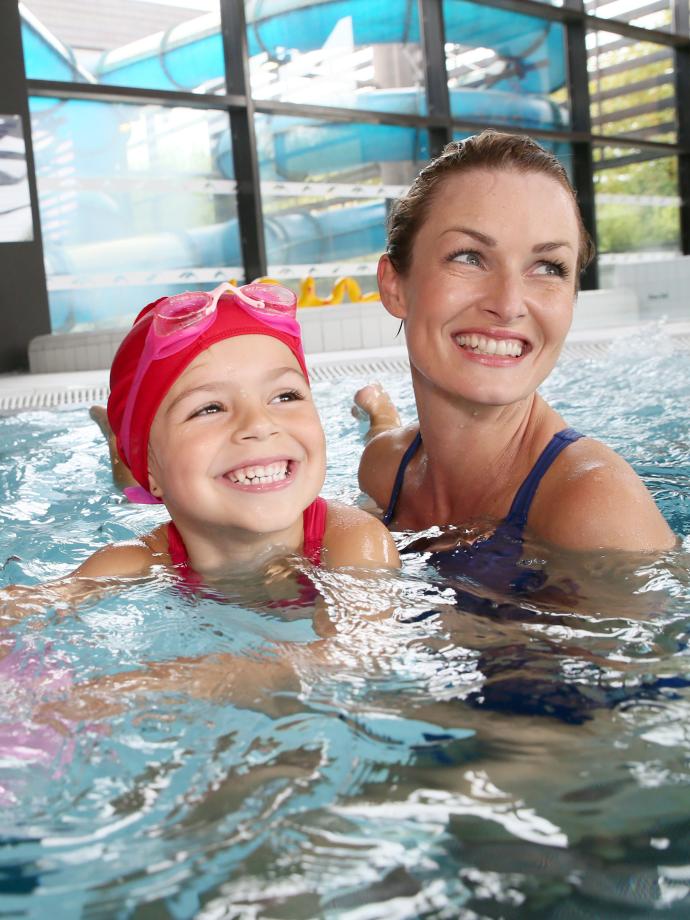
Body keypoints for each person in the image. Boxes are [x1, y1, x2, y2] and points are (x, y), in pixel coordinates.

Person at [354, 130, 675, 587]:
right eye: (469, 257)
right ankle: (378, 407)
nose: (508, 304)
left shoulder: (597, 506)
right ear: (394, 286)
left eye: (548, 268)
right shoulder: (385, 468)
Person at [5, 280, 398, 616]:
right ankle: (118, 440)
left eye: (285, 395)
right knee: (130, 490)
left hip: (339, 498)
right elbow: (30, 606)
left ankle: (379, 413)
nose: (259, 424)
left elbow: (352, 656)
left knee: (380, 465)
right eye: (209, 408)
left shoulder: (355, 541)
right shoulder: (136, 559)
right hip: (163, 470)